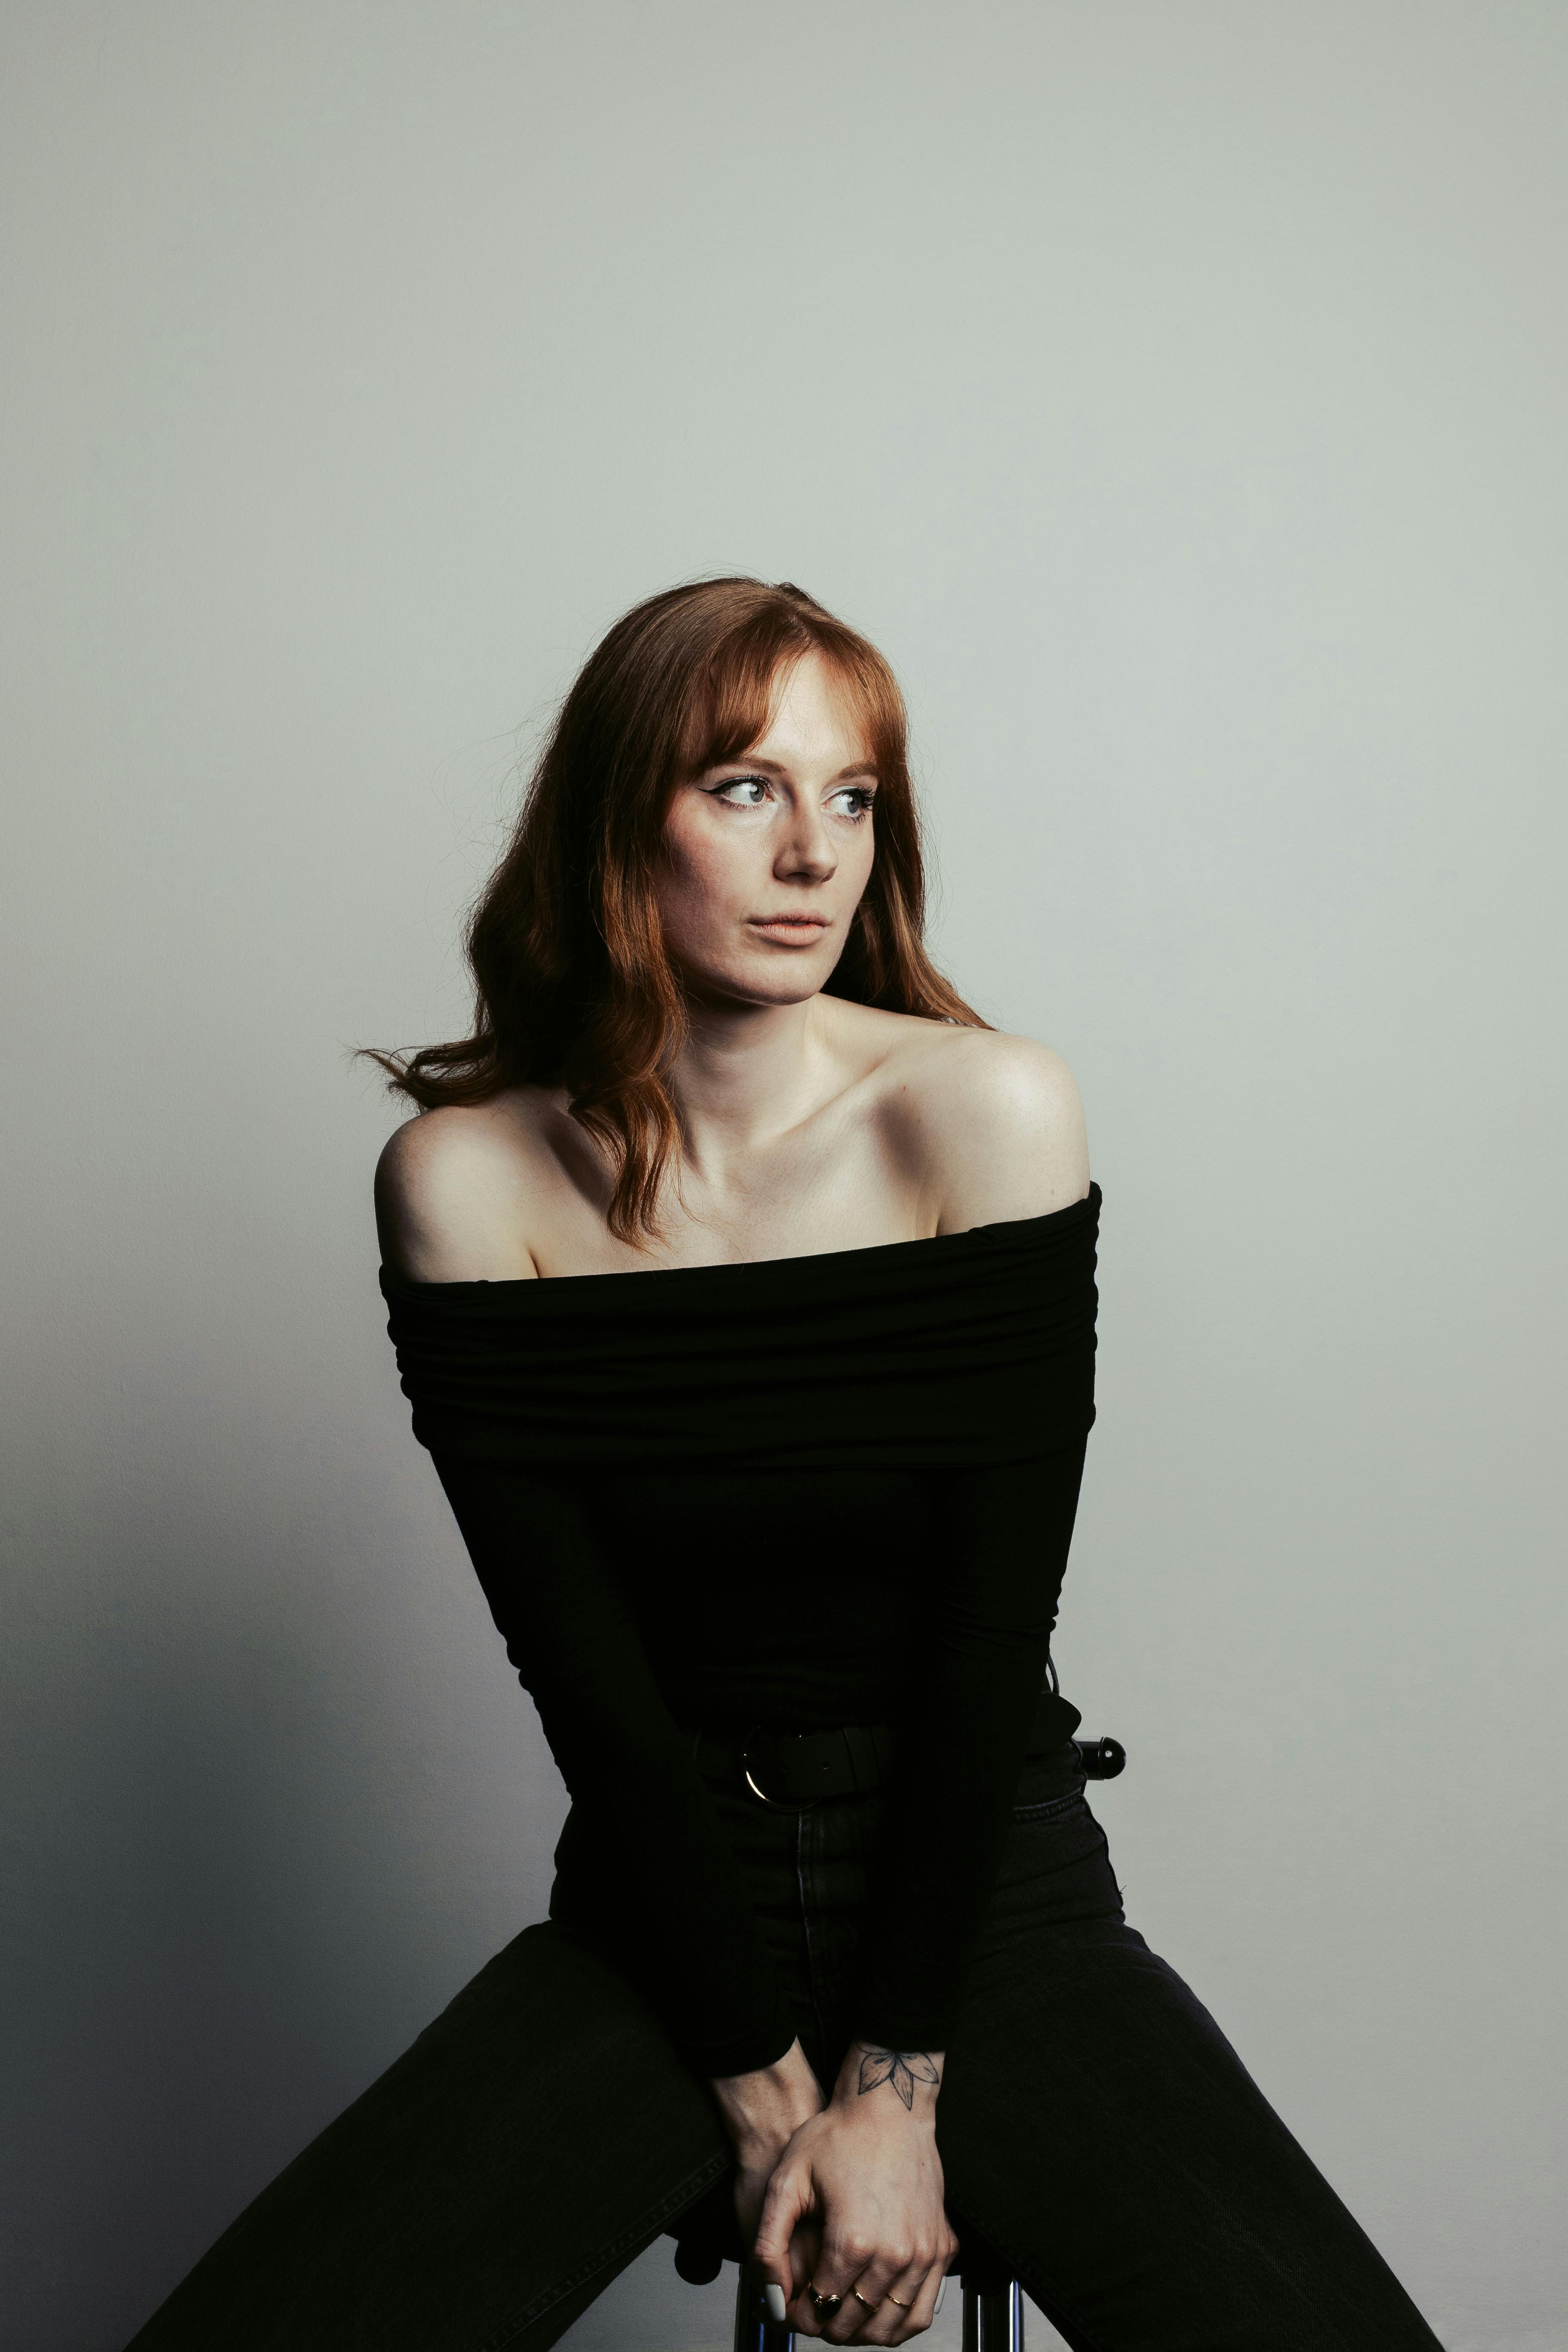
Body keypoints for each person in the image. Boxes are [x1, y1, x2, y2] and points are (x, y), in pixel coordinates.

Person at [127, 579, 1442, 2351]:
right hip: (669, 1919)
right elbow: (579, 1673)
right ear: (620, 818)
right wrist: (760, 2089)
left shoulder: (984, 1112)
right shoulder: (466, 1182)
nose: (811, 852)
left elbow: (987, 1641)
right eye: (743, 786)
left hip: (982, 1899)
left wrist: (893, 2095)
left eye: (851, 796)